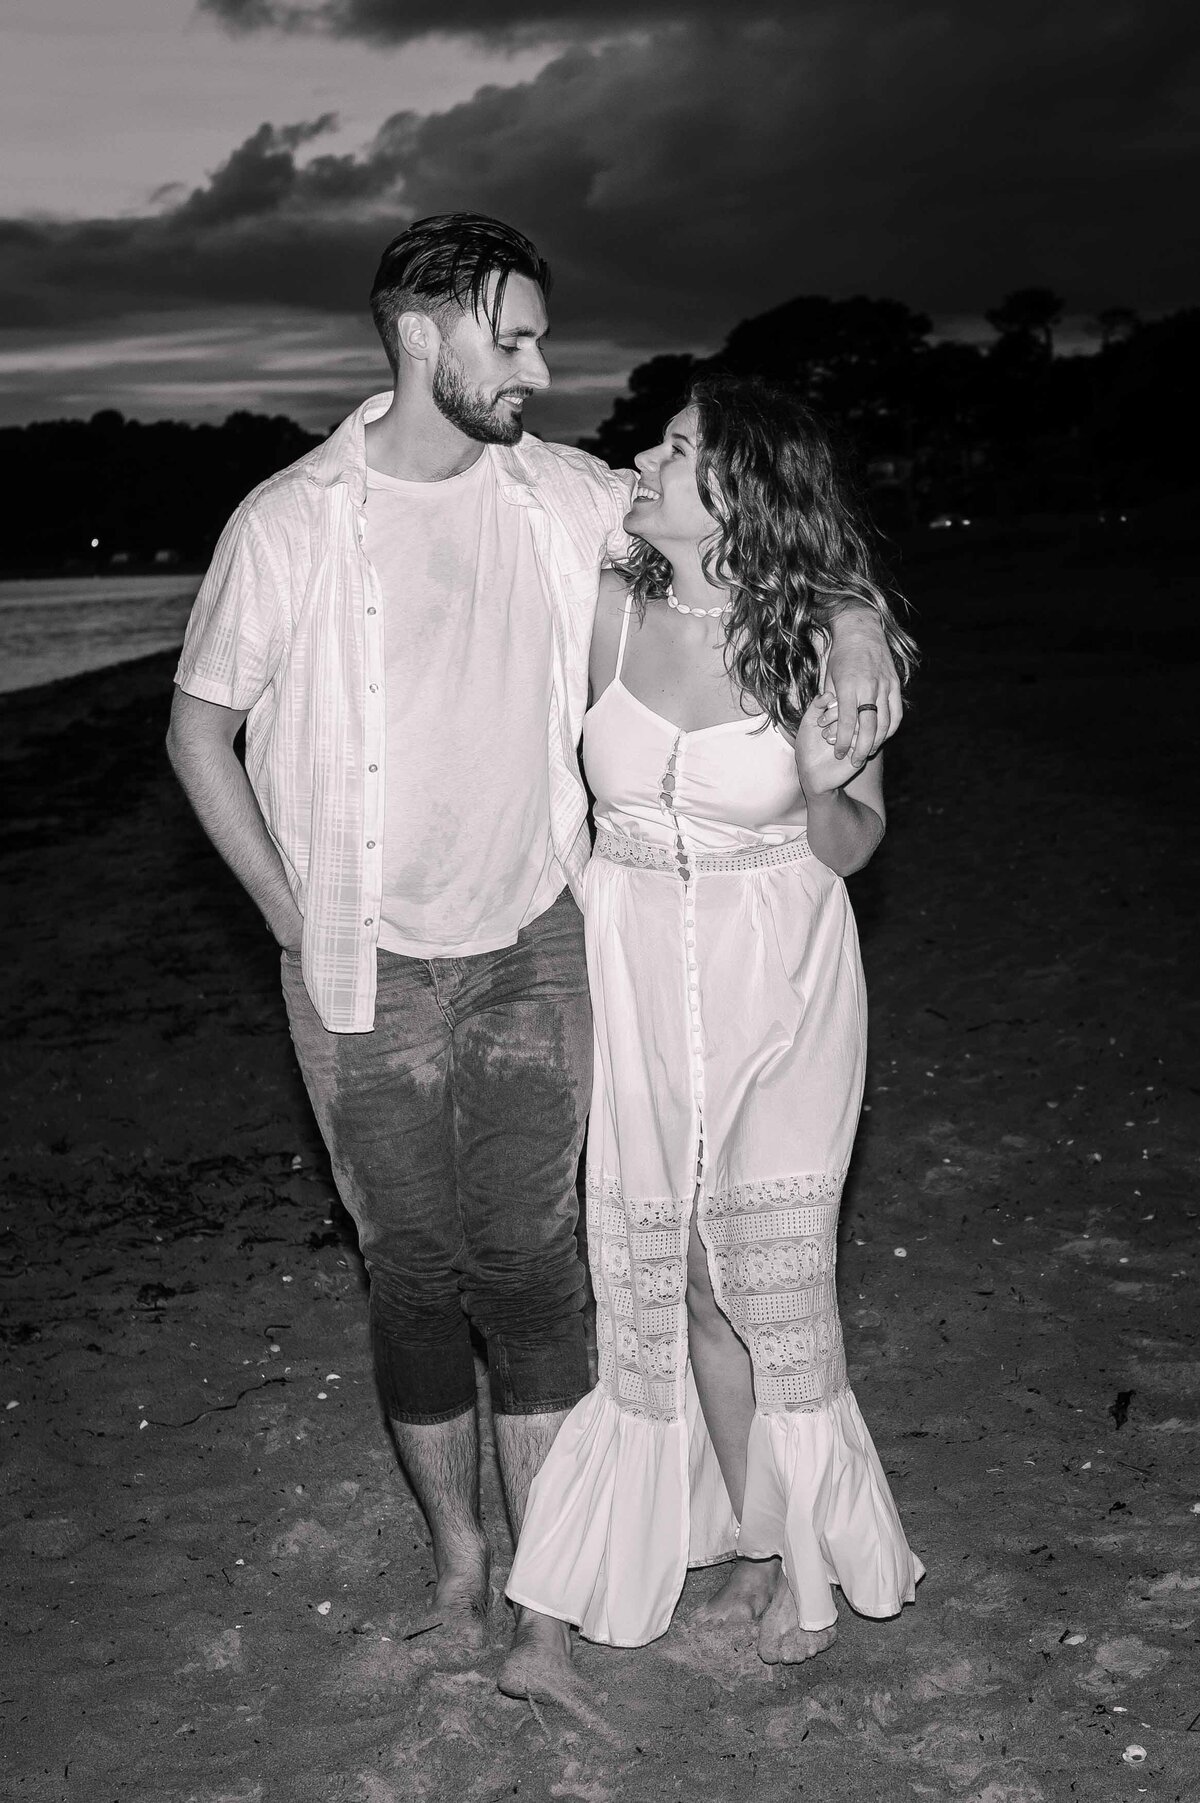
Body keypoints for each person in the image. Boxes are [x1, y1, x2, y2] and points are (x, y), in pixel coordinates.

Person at [165, 214, 904, 1667]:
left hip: (543, 950)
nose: (542, 367)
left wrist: (862, 619)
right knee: (414, 1269)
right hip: (370, 960)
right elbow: (200, 731)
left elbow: (771, 556)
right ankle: (462, 1563)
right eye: (514, 336)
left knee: (547, 1270)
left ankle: (553, 1585)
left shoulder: (562, 501)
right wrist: (295, 918)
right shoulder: (290, 522)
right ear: (422, 335)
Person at [504, 376, 924, 1700]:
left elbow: (857, 843)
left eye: (679, 448)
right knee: (676, 1275)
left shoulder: (821, 643)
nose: (647, 453)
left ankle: (802, 1552)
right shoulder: (607, 609)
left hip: (779, 977)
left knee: (772, 1272)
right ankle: (742, 1526)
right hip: (630, 969)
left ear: (744, 493)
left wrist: (816, 776)